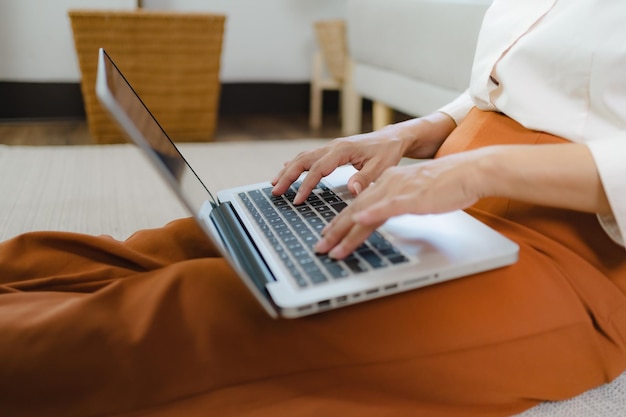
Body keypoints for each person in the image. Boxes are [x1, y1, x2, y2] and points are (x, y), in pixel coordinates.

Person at [1, 1, 625, 416]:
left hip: (576, 252)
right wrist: (406, 135)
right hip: (443, 193)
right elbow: (505, 87)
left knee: (199, 314)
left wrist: (479, 169)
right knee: (187, 242)